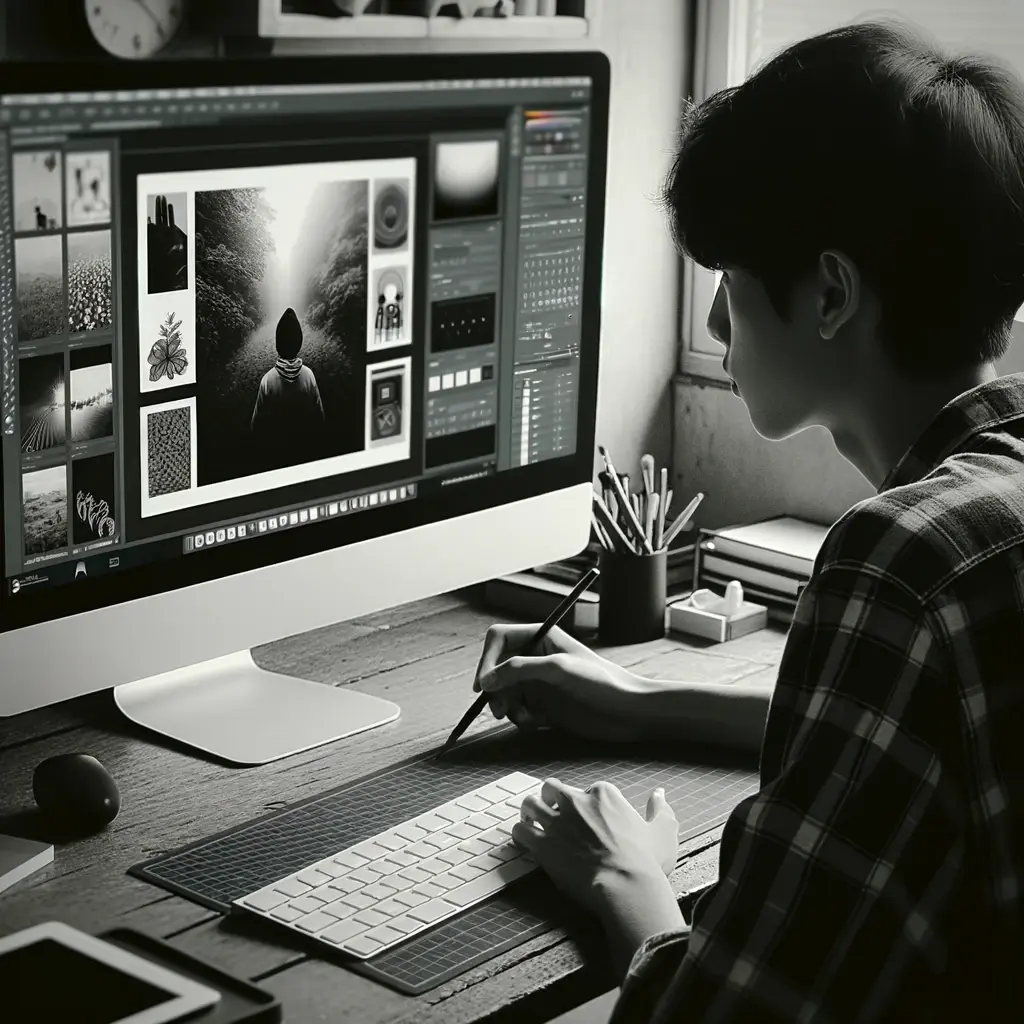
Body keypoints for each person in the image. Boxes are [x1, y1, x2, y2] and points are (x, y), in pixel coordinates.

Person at [474, 18, 1024, 1023]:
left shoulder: (898, 563)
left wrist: (629, 886)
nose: (720, 325)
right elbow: (901, 741)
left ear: (829, 294)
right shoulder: (994, 513)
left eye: (729, 282)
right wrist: (643, 705)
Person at [250, 307, 325, 458]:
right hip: (305, 450)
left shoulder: (268, 380)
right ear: (299, 343)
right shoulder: (309, 376)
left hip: (275, 452)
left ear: (278, 344)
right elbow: (320, 418)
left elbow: (256, 425)